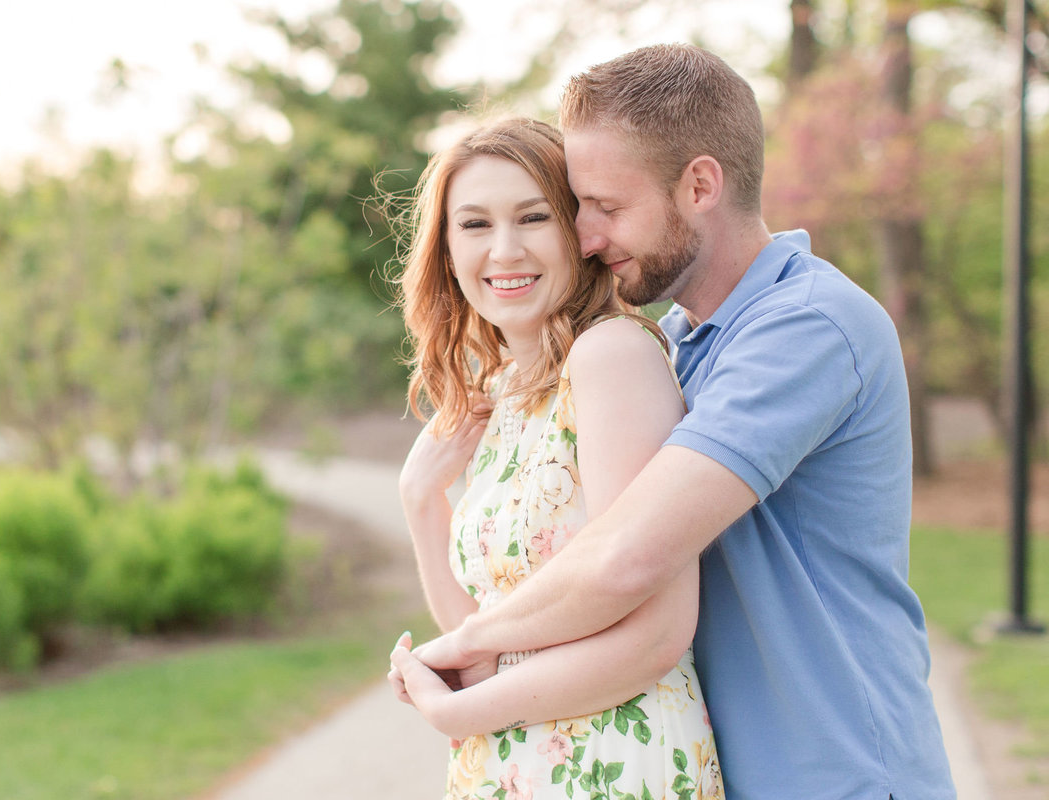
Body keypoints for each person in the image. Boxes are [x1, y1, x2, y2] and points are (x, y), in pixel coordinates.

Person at [407, 45, 957, 800]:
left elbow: (628, 558)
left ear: (700, 184)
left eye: (605, 205)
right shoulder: (684, 343)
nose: (588, 235)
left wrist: (468, 649)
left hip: (838, 773)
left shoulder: (808, 327)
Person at [386, 117, 724, 800]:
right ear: (446, 249)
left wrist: (463, 712)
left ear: (580, 232)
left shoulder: (612, 357)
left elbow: (657, 635)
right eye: (475, 225)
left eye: (533, 218)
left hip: (613, 765)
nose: (504, 250)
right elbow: (485, 643)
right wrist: (422, 504)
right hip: (514, 768)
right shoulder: (500, 392)